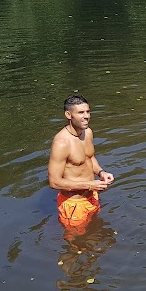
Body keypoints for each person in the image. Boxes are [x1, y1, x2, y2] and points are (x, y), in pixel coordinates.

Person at [48, 95, 114, 234]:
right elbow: (54, 182)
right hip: (74, 204)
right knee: (76, 241)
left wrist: (101, 172)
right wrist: (90, 185)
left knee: (95, 232)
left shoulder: (87, 132)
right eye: (80, 112)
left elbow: (89, 157)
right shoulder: (61, 143)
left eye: (88, 112)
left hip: (92, 197)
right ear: (68, 115)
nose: (86, 116)